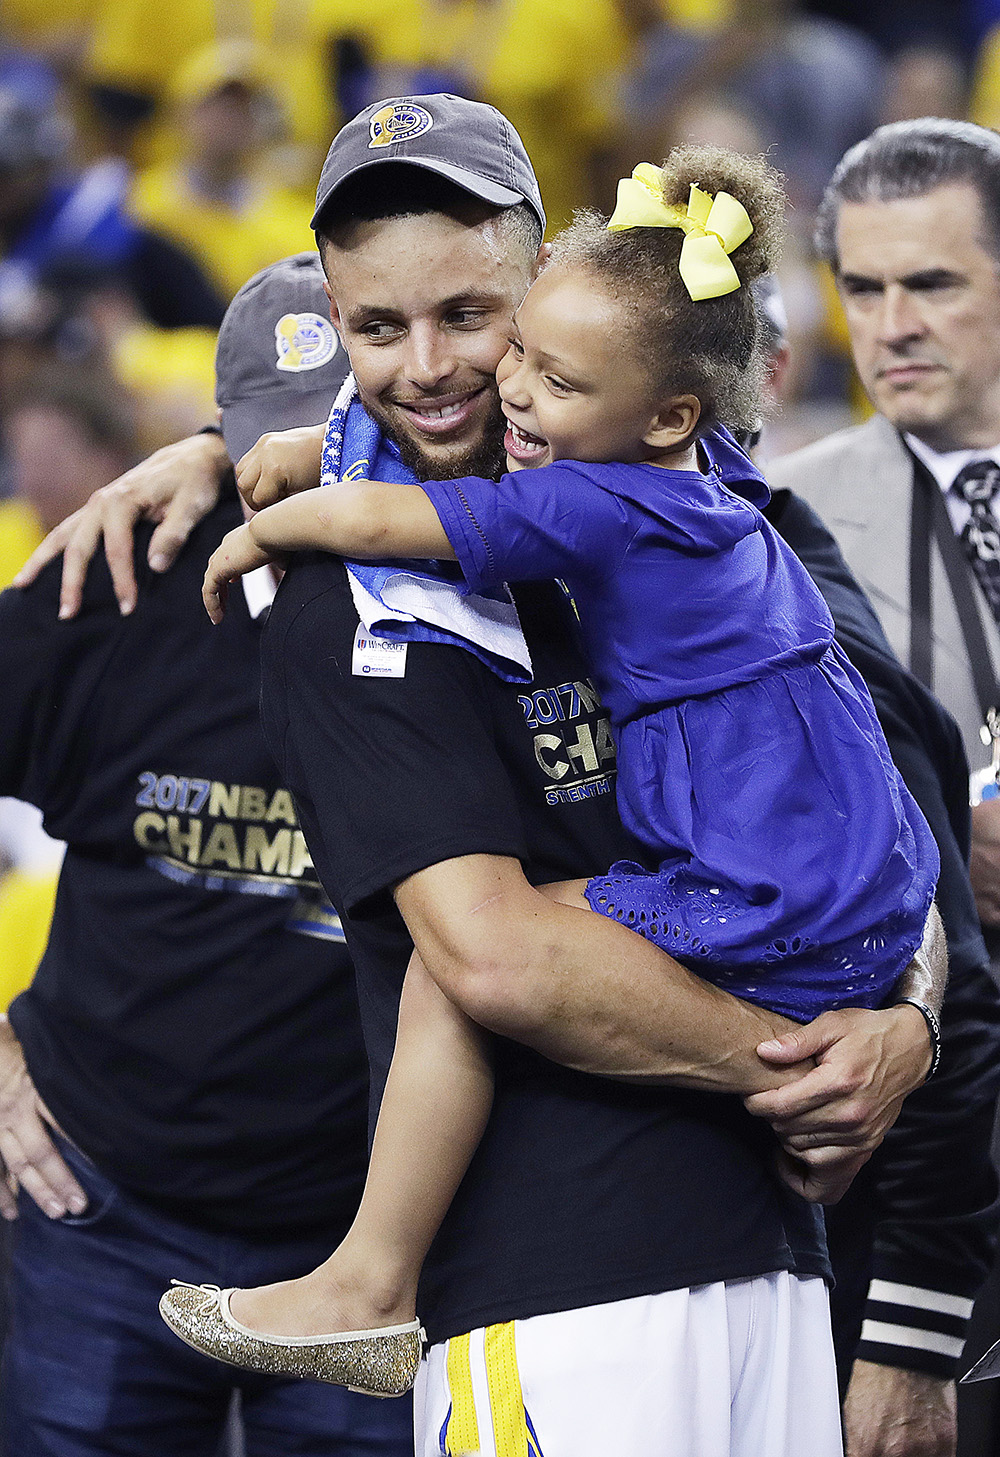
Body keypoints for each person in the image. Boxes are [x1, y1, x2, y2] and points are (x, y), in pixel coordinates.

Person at [17, 94, 949, 1457]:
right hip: (544, 1267)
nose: (441, 369)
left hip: (740, 1265)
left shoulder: (728, 502)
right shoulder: (347, 599)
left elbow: (904, 847)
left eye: (478, 316)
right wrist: (810, 1066)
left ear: (560, 294)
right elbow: (502, 957)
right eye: (375, 329)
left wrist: (904, 1029)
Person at [0, 252, 411, 1457]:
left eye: (337, 449)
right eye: (262, 458)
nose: (295, 492)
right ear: (222, 438)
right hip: (103, 1206)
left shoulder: (487, 600)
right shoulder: (113, 582)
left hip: (369, 1239)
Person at [766, 116, 1000, 1454]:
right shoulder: (777, 527)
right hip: (903, 1161)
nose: (892, 323)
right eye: (864, 288)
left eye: (935, 283)